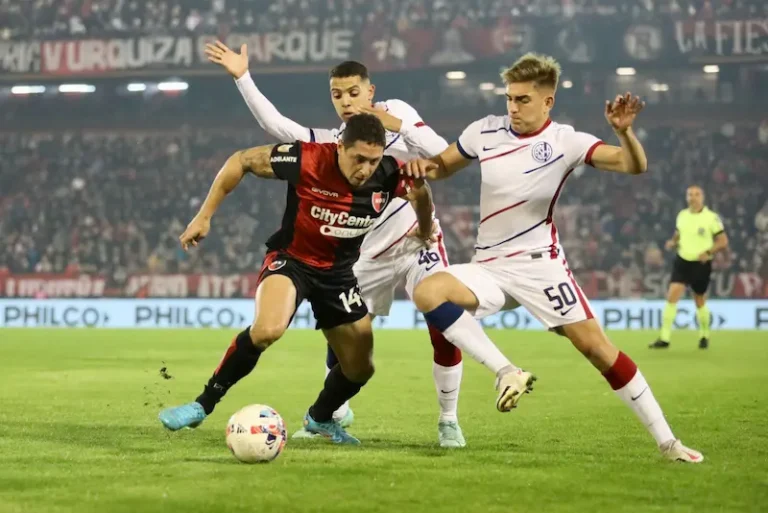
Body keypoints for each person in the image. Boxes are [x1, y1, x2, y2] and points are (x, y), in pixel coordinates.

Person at [403, 53, 703, 463]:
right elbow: (442, 167)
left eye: (523, 99)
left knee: (597, 349)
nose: (512, 107)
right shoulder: (484, 131)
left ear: (548, 101)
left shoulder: (565, 141)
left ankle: (669, 443)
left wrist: (624, 133)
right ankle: (506, 371)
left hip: (539, 266)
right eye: (509, 98)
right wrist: (423, 166)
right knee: (428, 291)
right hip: (488, 265)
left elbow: (634, 165)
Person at [204, 41, 467, 447]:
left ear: (371, 91)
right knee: (347, 338)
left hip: (415, 240)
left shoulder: (399, 114)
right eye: (337, 95)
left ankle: (448, 419)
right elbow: (277, 127)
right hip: (360, 251)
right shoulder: (331, 144)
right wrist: (243, 77)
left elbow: (443, 155)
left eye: (353, 92)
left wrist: (397, 126)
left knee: (442, 318)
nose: (346, 101)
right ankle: (331, 412)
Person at [158, 114, 436, 445]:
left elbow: (421, 193)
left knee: (361, 368)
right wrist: (204, 216)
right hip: (292, 261)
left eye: (373, 161)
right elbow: (241, 160)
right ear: (339, 147)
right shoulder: (307, 159)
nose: (366, 168)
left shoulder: (389, 174)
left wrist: (422, 228)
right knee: (267, 330)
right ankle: (202, 405)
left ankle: (320, 419)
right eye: (359, 158)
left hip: (339, 276)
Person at [650, 186, 728, 350]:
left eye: (696, 194)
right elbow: (678, 234)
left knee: (699, 300)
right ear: (686, 197)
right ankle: (664, 338)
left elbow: (722, 241)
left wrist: (708, 251)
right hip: (682, 261)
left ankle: (704, 335)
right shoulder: (682, 215)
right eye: (690, 194)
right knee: (672, 296)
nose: (693, 197)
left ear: (703, 197)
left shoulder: (711, 218)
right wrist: (673, 242)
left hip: (701, 264)